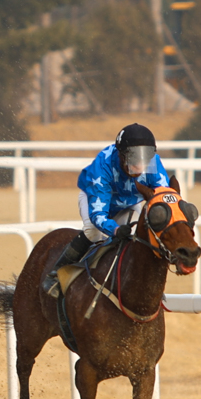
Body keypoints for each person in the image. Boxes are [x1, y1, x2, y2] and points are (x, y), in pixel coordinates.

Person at [44, 123, 174, 298]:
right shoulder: (103, 166)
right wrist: (116, 230)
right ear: (121, 155)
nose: (140, 166)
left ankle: (145, 285)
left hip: (128, 202)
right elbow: (99, 215)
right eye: (133, 159)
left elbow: (164, 196)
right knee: (93, 233)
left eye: (144, 159)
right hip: (94, 197)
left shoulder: (152, 162)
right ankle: (55, 273)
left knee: (138, 235)